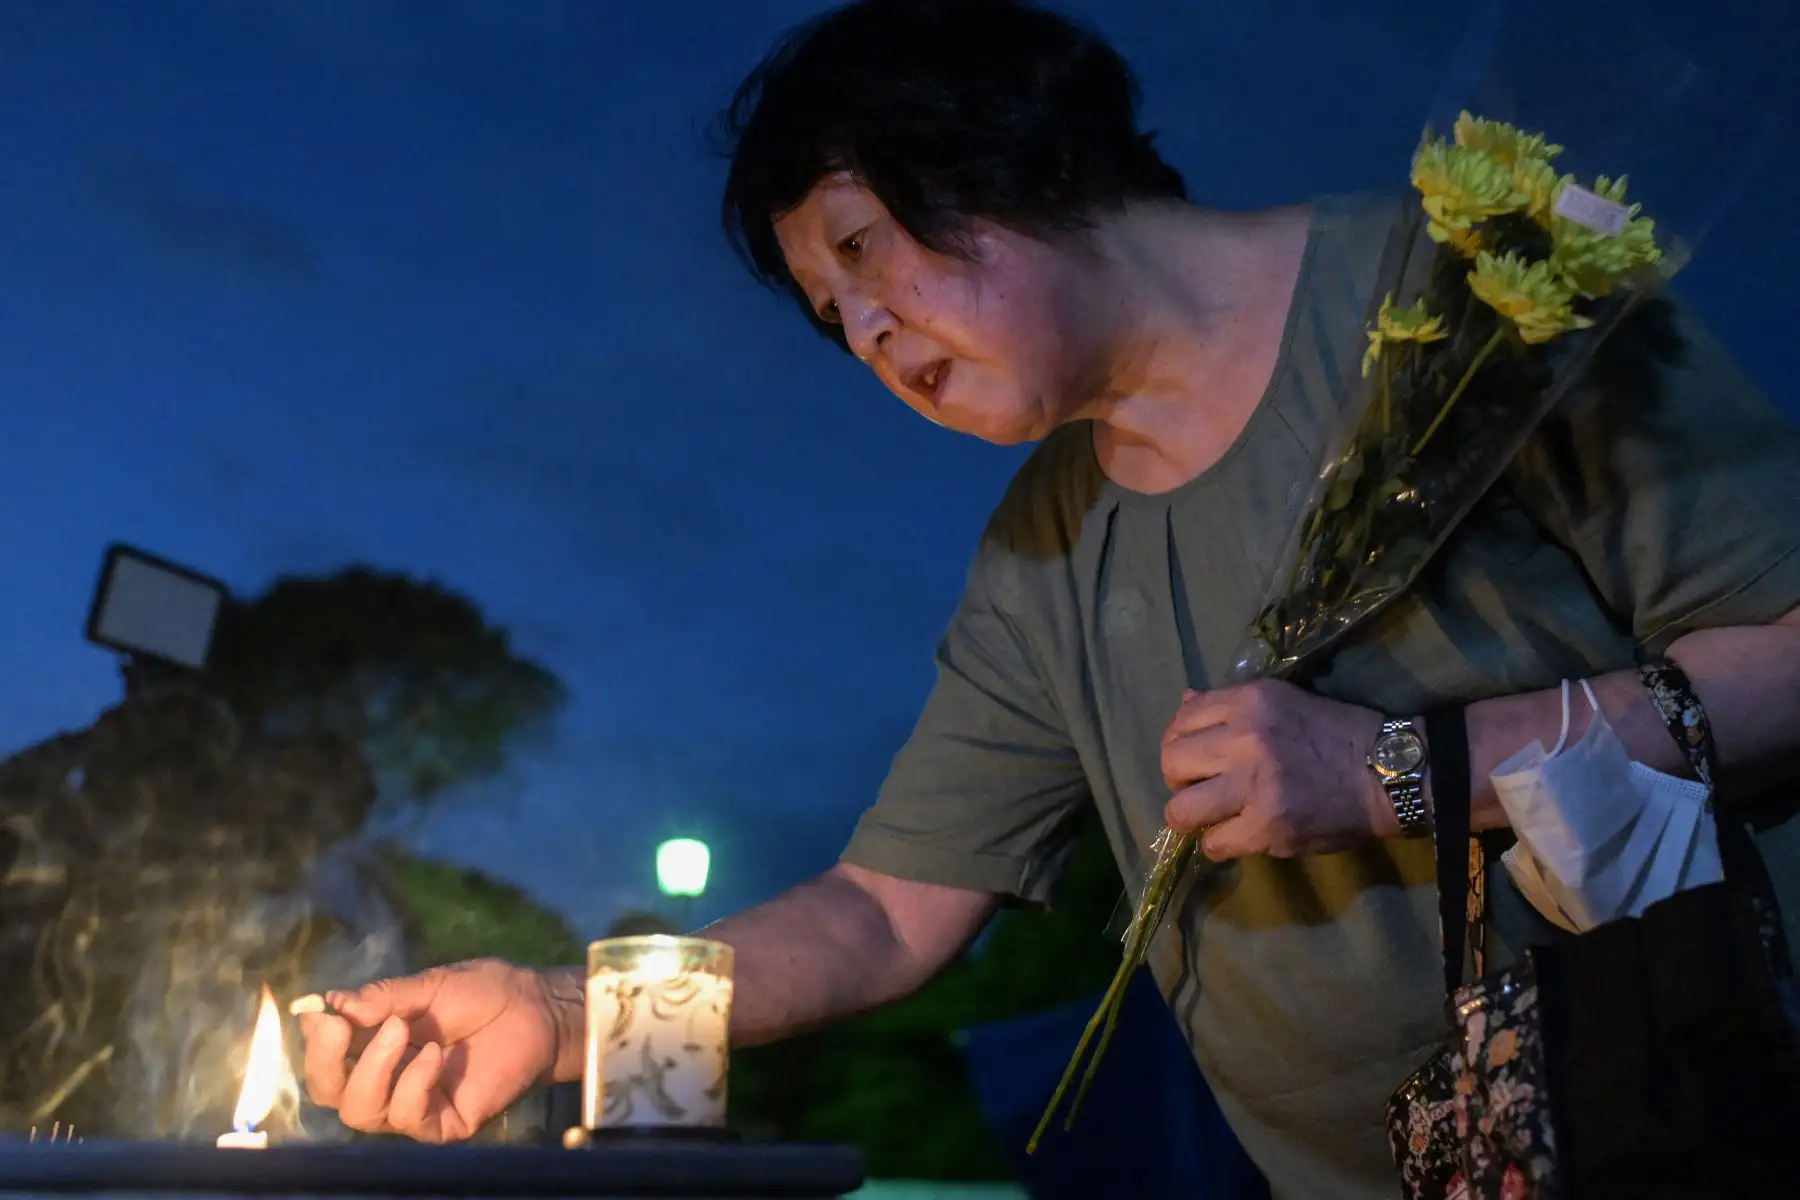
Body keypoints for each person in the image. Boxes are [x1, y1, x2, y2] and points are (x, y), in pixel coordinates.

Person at [296, 2, 1800, 1194]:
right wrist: (563, 1013)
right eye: (835, 317)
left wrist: (1392, 774)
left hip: (1701, 1128)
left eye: (867, 250)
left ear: (1003, 150)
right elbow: (884, 912)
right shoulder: (1039, 554)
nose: (872, 334)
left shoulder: (1471, 296)